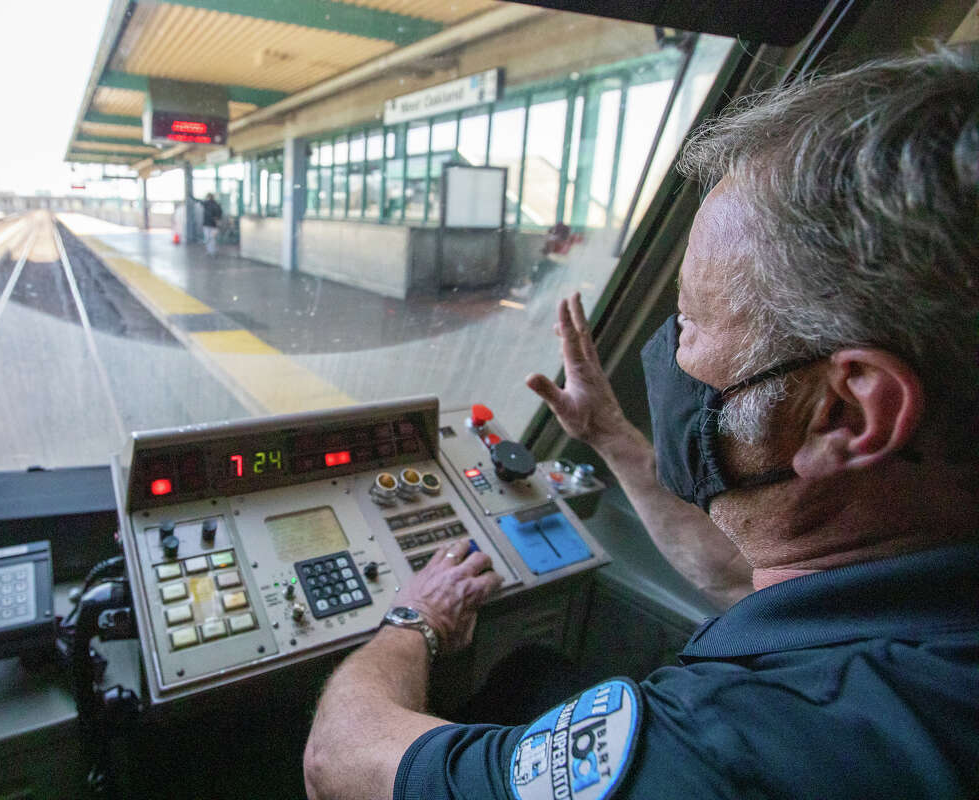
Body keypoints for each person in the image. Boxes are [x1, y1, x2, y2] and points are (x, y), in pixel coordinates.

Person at [304, 46, 979, 800]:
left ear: (844, 413)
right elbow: (739, 579)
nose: (671, 352)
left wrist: (415, 618)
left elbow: (339, 765)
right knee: (533, 675)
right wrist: (608, 434)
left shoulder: (725, 751)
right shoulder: (919, 579)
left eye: (689, 322)